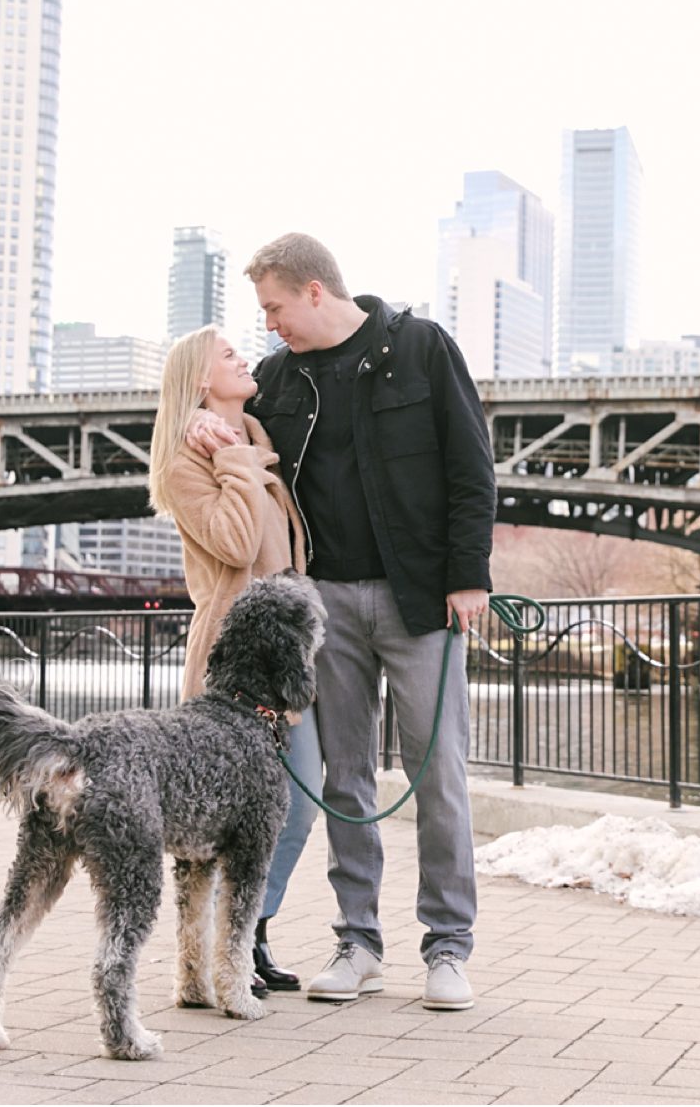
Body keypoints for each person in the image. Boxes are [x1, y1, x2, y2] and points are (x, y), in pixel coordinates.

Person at [190, 232, 495, 1013]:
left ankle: (448, 946)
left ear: (315, 291)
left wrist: (469, 574)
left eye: (275, 308)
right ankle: (358, 943)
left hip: (422, 599)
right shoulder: (277, 379)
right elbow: (225, 421)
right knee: (345, 779)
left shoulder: (422, 348)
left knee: (438, 773)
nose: (269, 325)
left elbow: (471, 465)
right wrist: (198, 425)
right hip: (323, 607)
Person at [149, 324, 322, 996]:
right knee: (229, 814)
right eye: (228, 354)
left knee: (296, 804)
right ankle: (221, 954)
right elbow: (237, 543)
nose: (244, 358)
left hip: (282, 659)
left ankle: (249, 931)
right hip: (233, 663)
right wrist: (232, 460)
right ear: (199, 379)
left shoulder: (253, 435)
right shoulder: (188, 461)